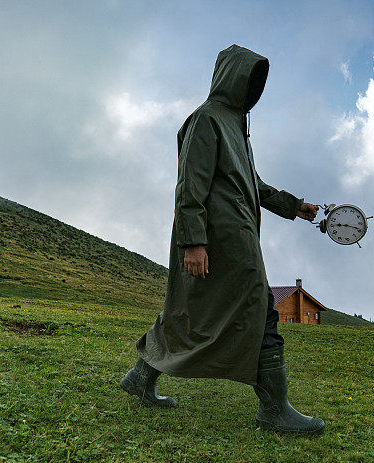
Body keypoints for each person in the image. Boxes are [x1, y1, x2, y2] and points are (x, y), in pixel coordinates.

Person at [120, 44, 324, 435]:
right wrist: (193, 242)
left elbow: (253, 185)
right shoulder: (206, 119)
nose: (253, 89)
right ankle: (274, 410)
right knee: (261, 308)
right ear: (233, 77)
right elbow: (189, 187)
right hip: (220, 240)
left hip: (238, 235)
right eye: (249, 79)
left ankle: (140, 377)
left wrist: (295, 205)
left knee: (191, 310)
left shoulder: (237, 128)